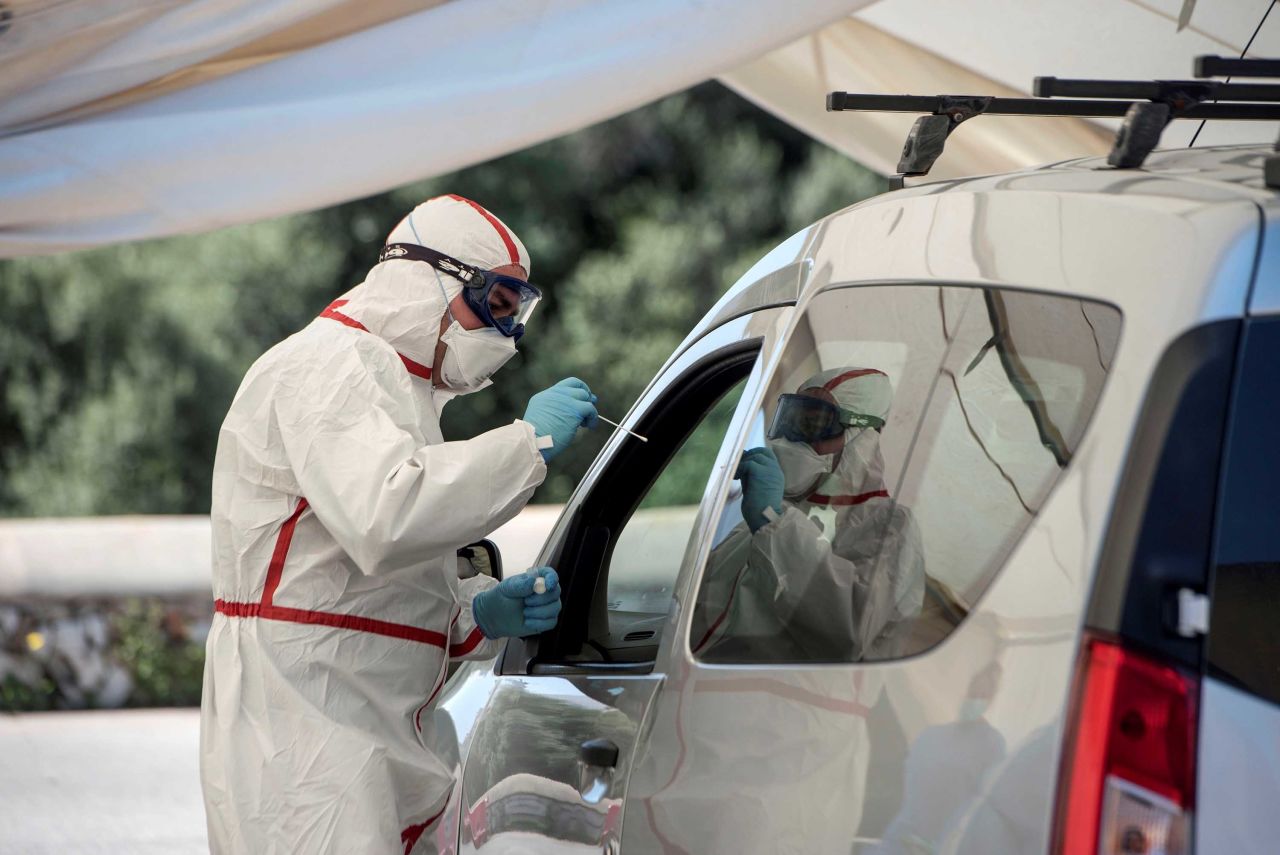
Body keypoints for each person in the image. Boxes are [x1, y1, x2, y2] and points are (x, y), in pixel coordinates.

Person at [199, 195, 598, 854]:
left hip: (359, 726)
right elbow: (385, 516)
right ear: (435, 277)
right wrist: (528, 445)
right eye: (498, 305)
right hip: (304, 734)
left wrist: (474, 614)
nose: (507, 335)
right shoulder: (328, 364)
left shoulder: (392, 385)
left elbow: (355, 578)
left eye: (515, 314)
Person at [692, 367, 925, 662]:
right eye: (789, 422)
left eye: (812, 425)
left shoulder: (889, 527)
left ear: (860, 437)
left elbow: (849, 632)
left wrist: (773, 523)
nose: (791, 440)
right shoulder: (769, 516)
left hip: (793, 704)